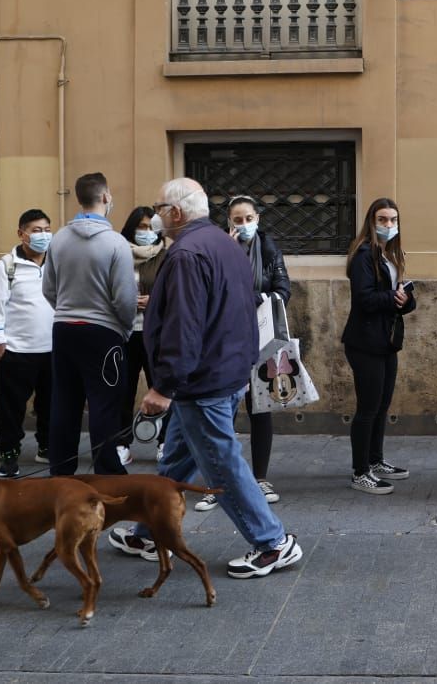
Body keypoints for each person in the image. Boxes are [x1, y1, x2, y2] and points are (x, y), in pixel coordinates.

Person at [109, 178, 302, 579]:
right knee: (178, 459)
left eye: (159, 209)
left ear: (176, 213)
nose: (156, 216)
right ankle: (148, 532)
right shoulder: (223, 244)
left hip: (202, 381)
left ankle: (272, 542)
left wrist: (163, 386)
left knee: (220, 464)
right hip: (224, 373)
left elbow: (184, 326)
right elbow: (245, 309)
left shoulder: (186, 255)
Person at [196, 195, 290, 512]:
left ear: (258, 218)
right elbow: (217, 290)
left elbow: (283, 287)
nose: (245, 225)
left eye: (249, 218)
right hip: (227, 344)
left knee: (260, 408)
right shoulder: (219, 250)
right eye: (238, 220)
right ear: (229, 223)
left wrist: (263, 297)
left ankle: (260, 478)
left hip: (262, 339)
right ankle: (216, 482)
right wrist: (231, 254)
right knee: (224, 413)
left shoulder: (268, 247)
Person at [42, 172, 136, 476]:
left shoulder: (59, 239)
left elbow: (48, 288)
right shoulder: (116, 243)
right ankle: (108, 473)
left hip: (64, 329)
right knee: (104, 404)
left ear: (78, 199)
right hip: (103, 333)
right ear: (106, 197)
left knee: (64, 403)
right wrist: (125, 328)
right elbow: (124, 298)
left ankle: (61, 473)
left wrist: (66, 310)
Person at [340, 198, 416, 495]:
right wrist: (393, 300)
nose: (388, 225)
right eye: (382, 220)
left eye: (393, 220)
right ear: (371, 223)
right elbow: (364, 298)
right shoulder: (363, 256)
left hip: (387, 341)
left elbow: (401, 298)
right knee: (367, 408)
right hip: (364, 342)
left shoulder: (391, 255)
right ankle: (360, 472)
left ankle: (375, 460)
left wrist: (407, 300)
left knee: (382, 406)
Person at [0, 209, 55, 478]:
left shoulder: (56, 264)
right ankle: (9, 455)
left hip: (52, 350)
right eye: (36, 230)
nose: (43, 235)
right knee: (11, 409)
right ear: (21, 233)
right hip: (17, 351)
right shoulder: (6, 267)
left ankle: (46, 447)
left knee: (51, 405)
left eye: (47, 229)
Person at [117, 205, 169, 467]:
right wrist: (126, 301)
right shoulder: (118, 253)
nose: (146, 232)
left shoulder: (166, 256)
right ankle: (122, 443)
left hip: (155, 333)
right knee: (122, 391)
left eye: (151, 227)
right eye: (142, 227)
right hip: (126, 333)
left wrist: (155, 301)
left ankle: (165, 443)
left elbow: (175, 292)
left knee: (161, 387)